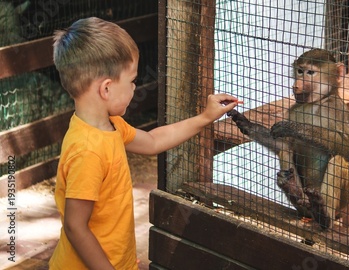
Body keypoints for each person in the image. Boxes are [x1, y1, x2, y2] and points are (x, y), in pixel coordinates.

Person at [48, 17, 240, 270]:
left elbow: (153, 141)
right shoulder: (88, 151)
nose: (134, 88)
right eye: (131, 81)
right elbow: (75, 226)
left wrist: (204, 118)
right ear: (106, 89)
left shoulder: (110, 125)